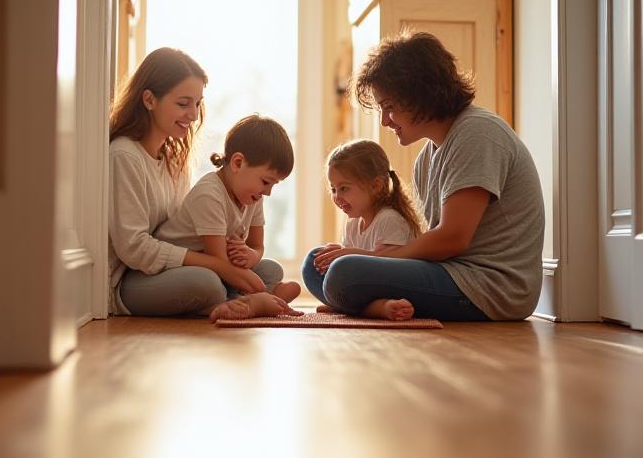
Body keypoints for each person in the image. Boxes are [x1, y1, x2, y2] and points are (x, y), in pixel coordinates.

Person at [303, 32, 545, 321]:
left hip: (490, 287)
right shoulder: (426, 159)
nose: (384, 121)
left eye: (389, 107)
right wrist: (358, 256)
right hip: (451, 274)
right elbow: (429, 245)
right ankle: (367, 305)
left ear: (421, 94)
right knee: (315, 263)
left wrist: (367, 259)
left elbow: (452, 239)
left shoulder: (477, 134)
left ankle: (356, 302)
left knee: (344, 272)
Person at [109, 47, 301, 320]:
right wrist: (217, 265)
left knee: (269, 269)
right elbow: (134, 249)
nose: (194, 114)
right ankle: (242, 304)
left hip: (185, 267)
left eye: (198, 103)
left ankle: (241, 302)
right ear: (149, 100)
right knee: (206, 283)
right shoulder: (125, 155)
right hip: (136, 280)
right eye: (183, 103)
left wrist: (232, 258)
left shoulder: (173, 159)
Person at [154, 114, 302, 320]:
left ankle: (254, 301)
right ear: (238, 163)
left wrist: (251, 255)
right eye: (266, 182)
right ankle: (254, 302)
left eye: (274, 185)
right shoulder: (209, 193)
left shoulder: (254, 197)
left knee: (271, 268)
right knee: (209, 283)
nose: (268, 192)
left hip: (220, 268)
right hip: (176, 270)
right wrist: (251, 279)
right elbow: (220, 262)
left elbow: (257, 246)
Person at [302, 139, 423, 316]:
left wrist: (347, 254)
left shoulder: (389, 219)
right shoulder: (352, 224)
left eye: (344, 188)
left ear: (376, 185)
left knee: (344, 267)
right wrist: (336, 256)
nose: (337, 197)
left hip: (395, 288)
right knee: (313, 261)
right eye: (333, 189)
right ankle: (353, 306)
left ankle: (372, 308)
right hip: (364, 288)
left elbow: (389, 265)